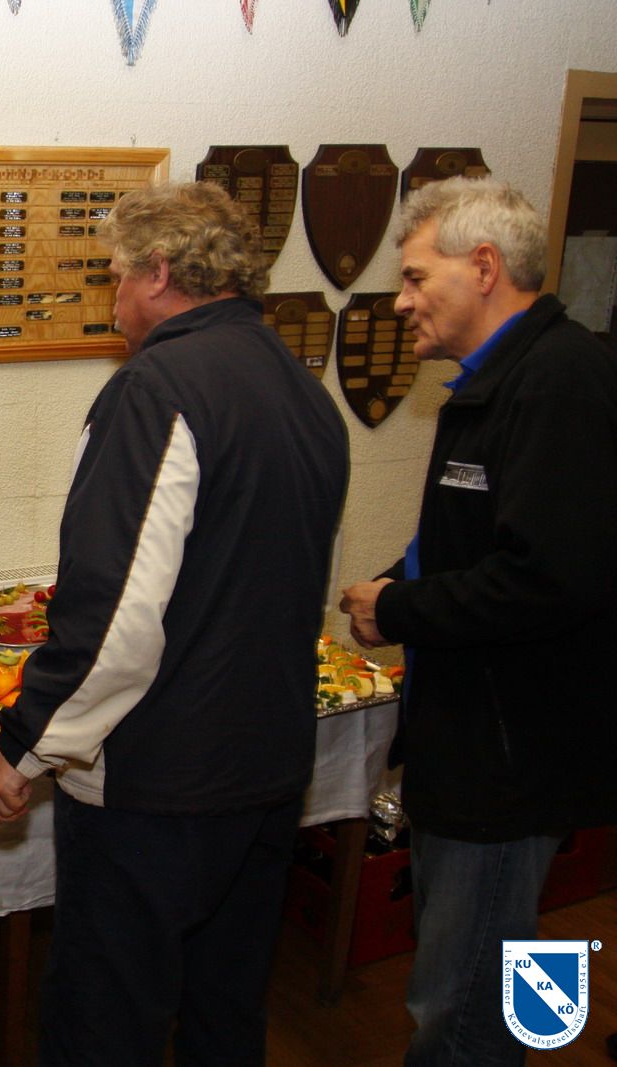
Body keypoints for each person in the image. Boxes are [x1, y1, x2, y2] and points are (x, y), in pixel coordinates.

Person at [0, 182, 349, 1066]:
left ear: (160, 272)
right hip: (266, 769)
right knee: (225, 1012)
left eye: (115, 275)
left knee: (107, 1024)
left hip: (159, 786)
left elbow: (115, 615)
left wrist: (22, 746)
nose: (112, 297)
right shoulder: (305, 392)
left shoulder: (154, 389)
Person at [338, 176, 617, 1066]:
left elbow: (550, 578)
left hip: (509, 762)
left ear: (485, 267)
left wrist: (402, 607)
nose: (401, 300)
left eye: (417, 277)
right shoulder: (494, 379)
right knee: (464, 982)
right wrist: (395, 586)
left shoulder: (560, 382)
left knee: (464, 1009)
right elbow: (475, 539)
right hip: (467, 741)